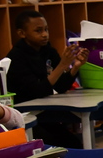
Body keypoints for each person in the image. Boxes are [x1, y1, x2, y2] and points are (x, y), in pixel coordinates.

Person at [5, 10, 89, 148]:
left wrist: (75, 67)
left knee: (74, 145)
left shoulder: (48, 50)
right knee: (54, 145)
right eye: (38, 31)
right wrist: (62, 65)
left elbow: (60, 86)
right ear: (22, 33)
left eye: (46, 29)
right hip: (25, 116)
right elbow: (38, 91)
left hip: (44, 112)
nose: (44, 34)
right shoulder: (16, 57)